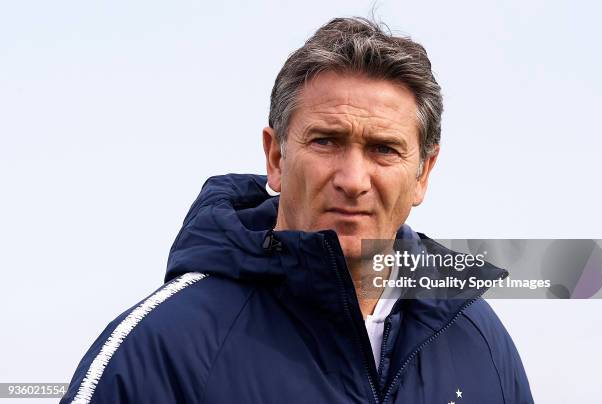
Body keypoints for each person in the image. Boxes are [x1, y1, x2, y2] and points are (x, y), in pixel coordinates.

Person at [61, 17, 533, 403]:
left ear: (423, 173)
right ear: (276, 157)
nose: (352, 180)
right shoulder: (163, 348)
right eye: (326, 141)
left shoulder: (481, 343)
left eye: (384, 149)